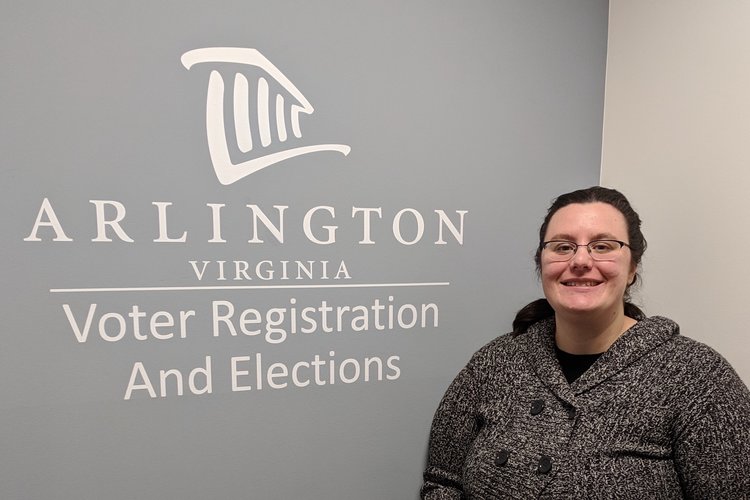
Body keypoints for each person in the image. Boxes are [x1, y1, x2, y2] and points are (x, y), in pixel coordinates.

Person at [421, 186, 750, 499]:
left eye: (602, 246)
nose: (580, 261)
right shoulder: (495, 361)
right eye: (562, 247)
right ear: (542, 263)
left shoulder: (698, 377)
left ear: (633, 266)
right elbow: (443, 478)